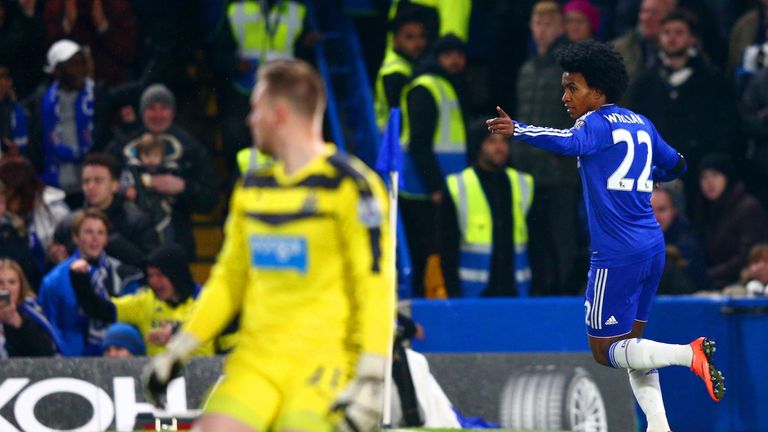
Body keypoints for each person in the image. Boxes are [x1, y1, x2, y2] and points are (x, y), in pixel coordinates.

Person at [142, 59, 394, 432]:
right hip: (255, 362)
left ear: (278, 114)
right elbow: (228, 281)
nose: (249, 120)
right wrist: (179, 348)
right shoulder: (253, 188)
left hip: (323, 362)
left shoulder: (351, 186)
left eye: (255, 109)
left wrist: (373, 374)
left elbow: (375, 283)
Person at [486, 40, 724, 432]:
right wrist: (648, 174)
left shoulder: (593, 123)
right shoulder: (642, 123)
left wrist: (520, 129)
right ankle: (659, 426)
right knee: (633, 348)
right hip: (651, 246)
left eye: (572, 88)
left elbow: (568, 142)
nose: (565, 96)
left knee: (605, 351)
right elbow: (677, 164)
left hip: (616, 255)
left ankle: (688, 354)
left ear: (597, 91)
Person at [629, 9, 737, 212]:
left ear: (692, 39)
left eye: (678, 32)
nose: (671, 38)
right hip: (657, 173)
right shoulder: (646, 82)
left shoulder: (714, 81)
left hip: (698, 173)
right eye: (666, 32)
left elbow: (726, 128)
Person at [514, 0, 581, 295]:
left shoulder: (571, 68)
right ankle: (541, 290)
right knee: (535, 236)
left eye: (549, 24)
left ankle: (567, 291)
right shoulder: (526, 68)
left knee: (563, 236)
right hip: (527, 169)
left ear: (561, 27)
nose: (542, 31)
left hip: (561, 171)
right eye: (538, 24)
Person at [108, 84, 219, 258]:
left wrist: (183, 187)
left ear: (172, 112)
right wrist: (126, 190)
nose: (158, 115)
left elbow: (210, 199)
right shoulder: (122, 145)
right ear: (142, 112)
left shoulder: (192, 148)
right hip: (130, 241)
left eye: (163, 108)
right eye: (152, 109)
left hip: (176, 240)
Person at [399, 34, 468, 297]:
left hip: (440, 187)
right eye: (448, 55)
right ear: (437, 58)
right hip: (425, 191)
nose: (455, 60)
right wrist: (435, 187)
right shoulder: (427, 87)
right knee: (425, 252)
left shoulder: (448, 85)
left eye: (459, 55)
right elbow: (419, 144)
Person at [440, 121, 534, 297]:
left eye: (504, 141)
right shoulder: (457, 185)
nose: (500, 147)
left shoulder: (523, 183)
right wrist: (454, 292)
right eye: (491, 141)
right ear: (478, 146)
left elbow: (537, 243)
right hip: (473, 292)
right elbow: (447, 247)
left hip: (516, 290)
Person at [70, 243, 214, 356]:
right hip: (160, 385)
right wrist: (80, 279)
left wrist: (176, 332)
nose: (153, 282)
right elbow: (98, 310)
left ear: (176, 274)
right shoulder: (145, 302)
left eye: (159, 275)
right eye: (150, 276)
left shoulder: (207, 300)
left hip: (202, 381)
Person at [37, 208, 141, 356]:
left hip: (114, 357)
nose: (95, 238)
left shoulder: (123, 275)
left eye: (100, 233)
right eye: (88, 232)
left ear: (106, 238)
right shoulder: (54, 280)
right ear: (75, 237)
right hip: (72, 359)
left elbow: (132, 320)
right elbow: (49, 327)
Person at [55, 152, 160, 267]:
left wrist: (118, 246)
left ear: (115, 186)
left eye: (98, 180)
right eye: (86, 181)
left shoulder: (138, 221)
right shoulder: (68, 224)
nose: (91, 186)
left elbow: (151, 266)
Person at [25, 39, 95, 206]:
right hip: (53, 185)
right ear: (57, 71)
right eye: (73, 64)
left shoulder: (97, 94)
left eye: (82, 63)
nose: (81, 70)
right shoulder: (41, 101)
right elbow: (36, 144)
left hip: (90, 183)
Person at [694, 153, 768, 290]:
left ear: (727, 177)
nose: (709, 182)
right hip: (717, 283)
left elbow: (749, 254)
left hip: (747, 284)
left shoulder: (748, 208)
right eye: (704, 177)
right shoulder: (706, 209)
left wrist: (709, 274)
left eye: (715, 175)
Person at [0, 156, 70, 272]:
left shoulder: (55, 211)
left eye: (5, 193)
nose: (4, 202)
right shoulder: (5, 219)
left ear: (17, 191)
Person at [43, 0, 137, 86]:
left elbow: (128, 52)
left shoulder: (116, 4)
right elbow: (48, 55)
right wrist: (67, 24)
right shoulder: (56, 5)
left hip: (108, 81)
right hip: (67, 85)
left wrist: (103, 26)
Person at [650, 184, 711, 294]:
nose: (655, 217)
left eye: (662, 209)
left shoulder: (688, 246)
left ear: (675, 210)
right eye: (649, 210)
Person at [374, 9, 428, 132]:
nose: (418, 43)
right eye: (409, 37)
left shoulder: (408, 66)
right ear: (395, 39)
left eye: (422, 36)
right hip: (392, 142)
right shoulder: (395, 73)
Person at [611, 0, 676, 95]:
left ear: (671, 17)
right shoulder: (617, 50)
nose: (647, 17)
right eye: (644, 11)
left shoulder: (682, 51)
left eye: (655, 12)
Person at [0, 258, 61, 357]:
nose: (7, 288)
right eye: (0, 282)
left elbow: (46, 354)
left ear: (21, 285)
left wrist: (18, 322)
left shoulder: (32, 311)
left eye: (12, 282)